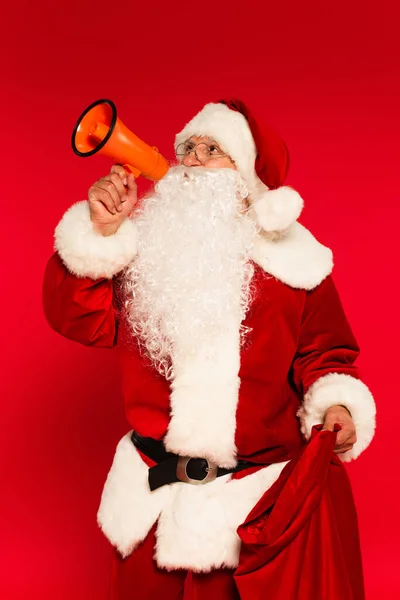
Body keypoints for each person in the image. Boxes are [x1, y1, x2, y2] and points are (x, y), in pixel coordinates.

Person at [43, 99, 376, 600]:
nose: (193, 160)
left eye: (213, 149)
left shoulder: (296, 267)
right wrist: (100, 234)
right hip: (152, 501)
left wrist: (338, 406)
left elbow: (325, 355)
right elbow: (79, 320)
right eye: (188, 148)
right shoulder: (144, 253)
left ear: (248, 177)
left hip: (252, 509)